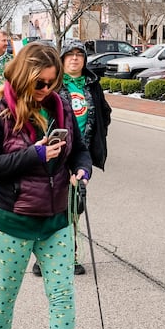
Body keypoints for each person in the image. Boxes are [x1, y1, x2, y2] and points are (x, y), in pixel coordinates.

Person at [0, 43, 92, 329]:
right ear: (23, 78)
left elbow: (80, 151)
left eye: (53, 83)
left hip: (55, 219)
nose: (47, 91)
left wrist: (81, 170)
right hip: (9, 221)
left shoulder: (61, 107)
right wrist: (35, 154)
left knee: (62, 294)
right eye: (40, 83)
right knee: (6, 294)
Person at [34, 41, 113, 278]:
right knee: (49, 206)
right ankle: (42, 259)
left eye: (80, 55)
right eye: (70, 55)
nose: (75, 59)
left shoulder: (92, 85)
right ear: (62, 59)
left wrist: (97, 137)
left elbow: (104, 113)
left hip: (81, 154)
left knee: (75, 207)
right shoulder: (53, 84)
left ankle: (71, 256)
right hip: (53, 154)